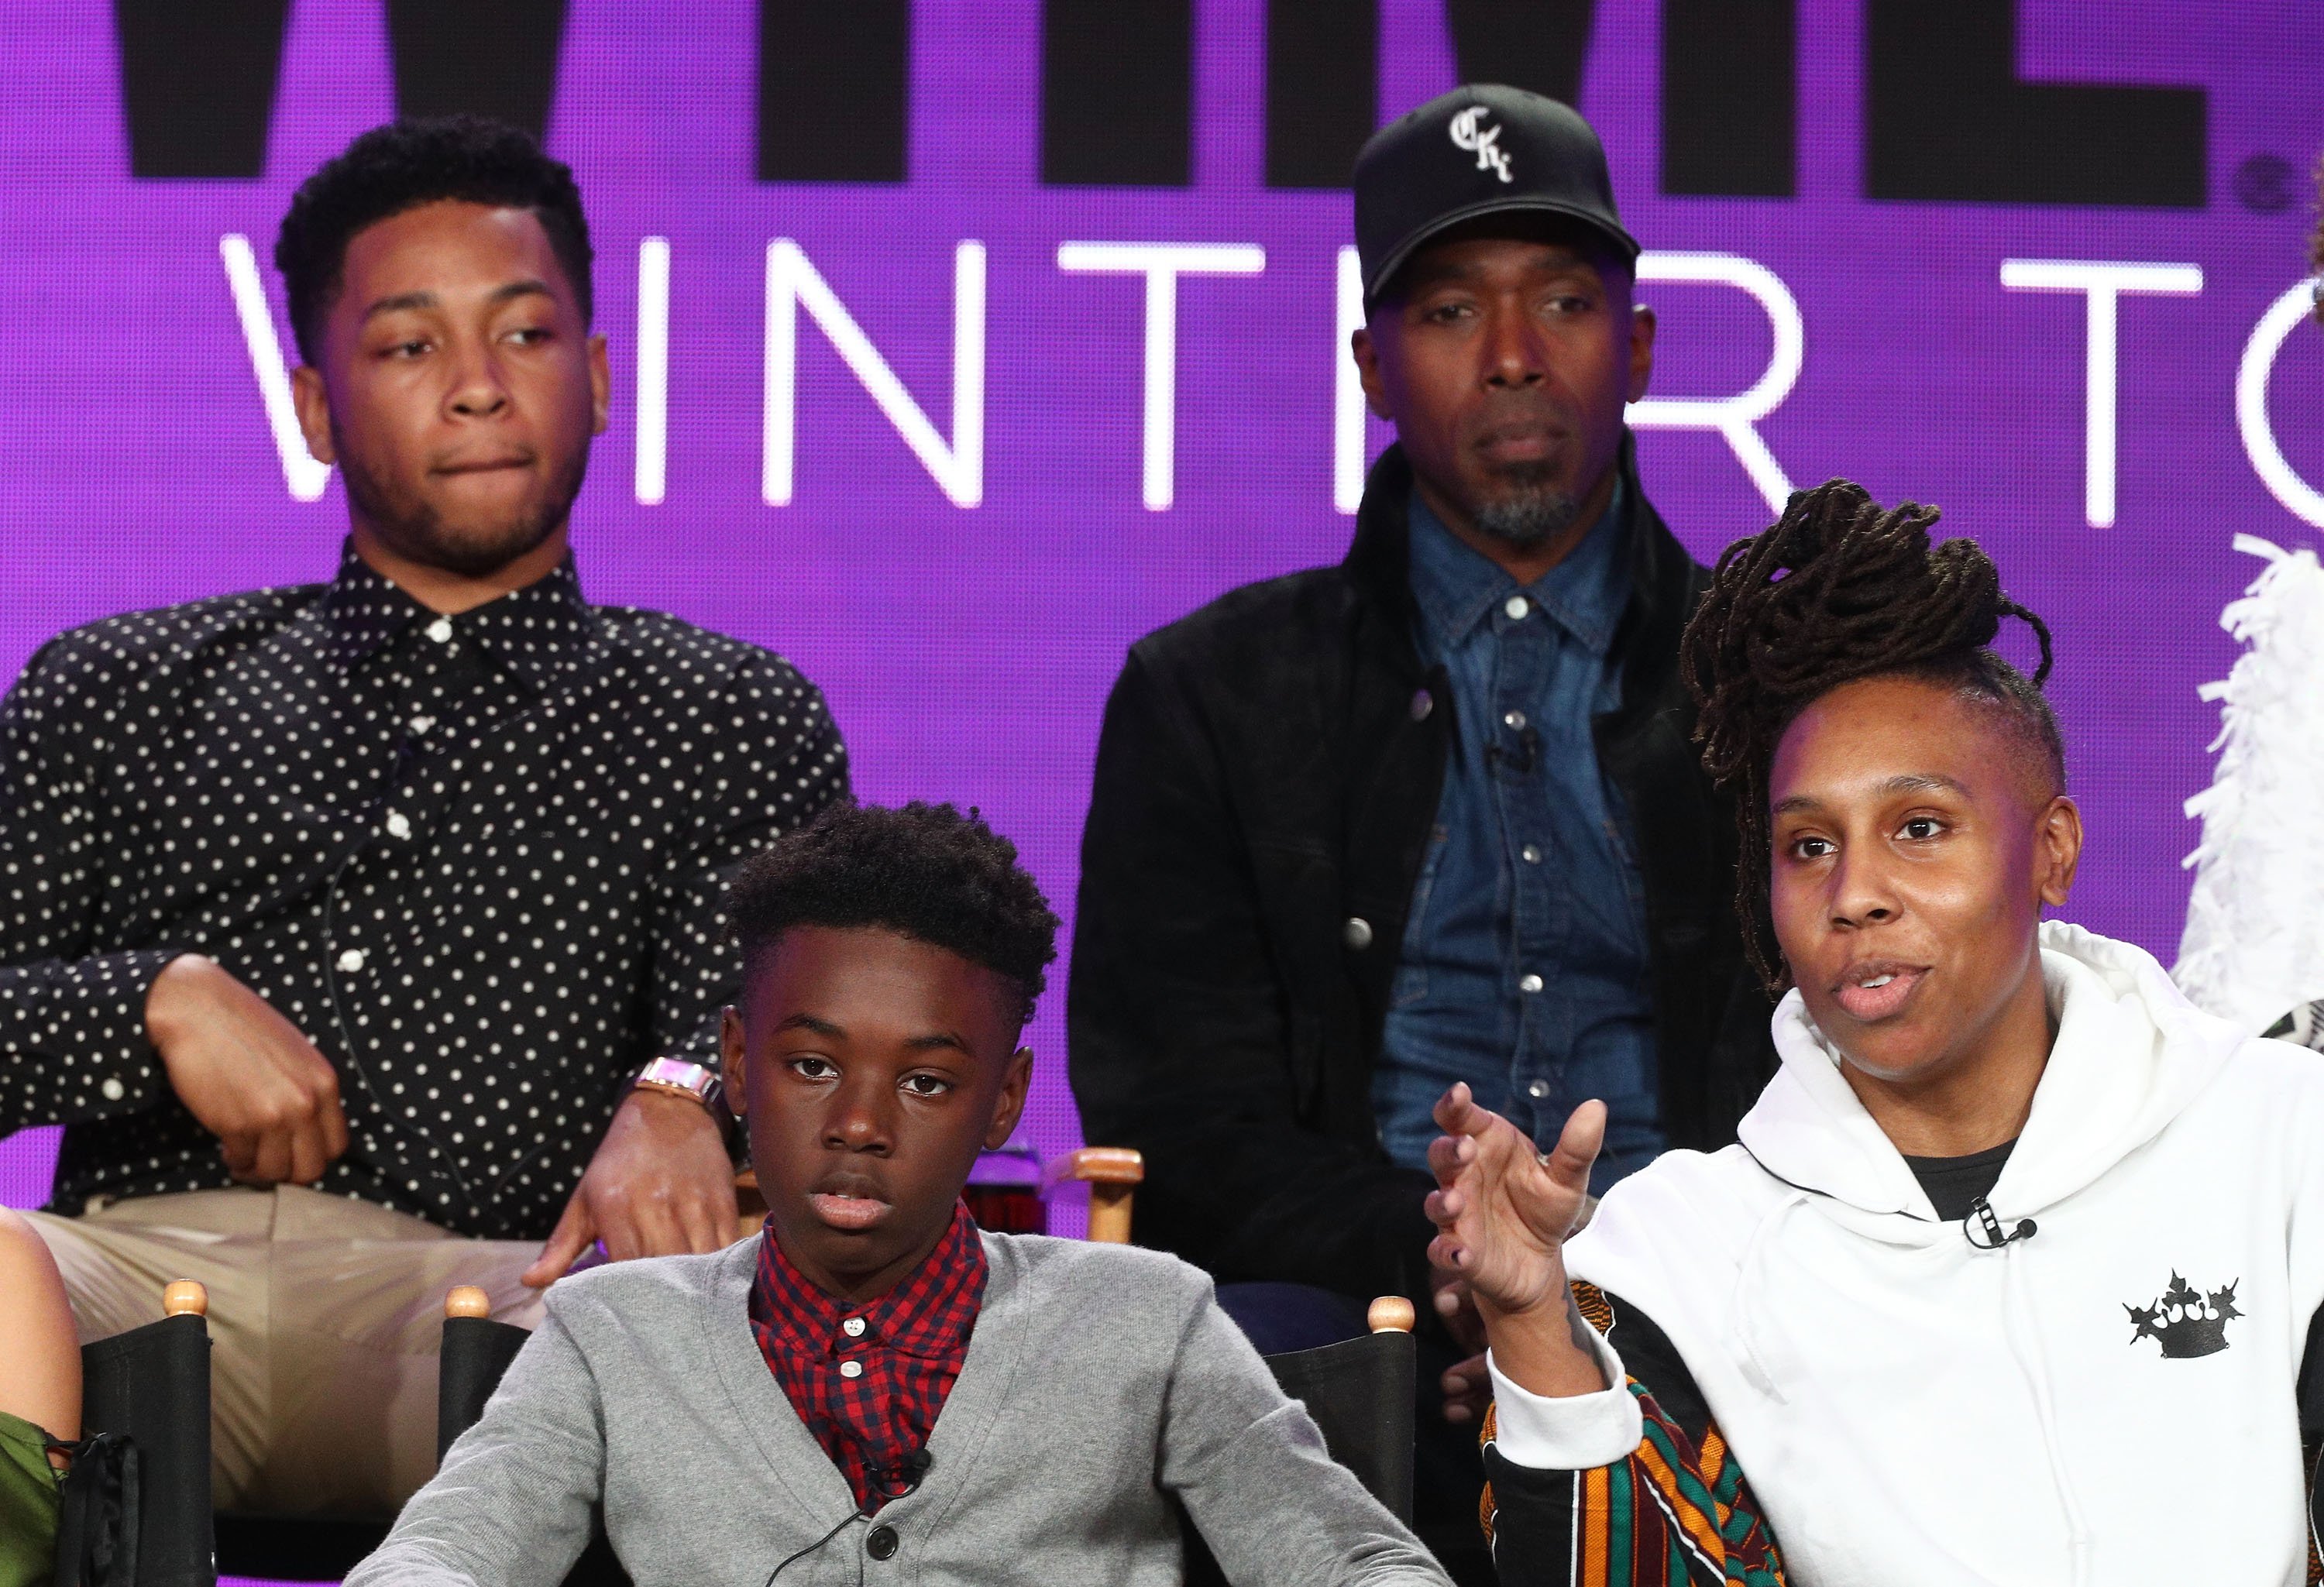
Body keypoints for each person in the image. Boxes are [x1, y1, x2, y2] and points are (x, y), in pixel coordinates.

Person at [0, 116, 847, 1519]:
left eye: (522, 336)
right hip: (120, 1285)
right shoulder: (121, 689)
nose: (473, 389)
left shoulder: (725, 713)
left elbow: (784, 1034)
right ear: (317, 406)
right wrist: (151, 1000)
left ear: (599, 376)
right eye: (408, 346)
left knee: (661, 1361)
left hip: (489, 1287)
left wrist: (689, 1096)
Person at [1067, 84, 1772, 1572]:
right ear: (1372, 369)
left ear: (1639, 347)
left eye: (1563, 302)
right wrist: (1458, 1267)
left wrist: (1606, 1294)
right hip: (1348, 1322)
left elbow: (1843, 1072)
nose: (1515, 355)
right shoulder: (1207, 695)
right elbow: (1184, 1124)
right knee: (1245, 1374)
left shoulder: (1778, 697)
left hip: (1727, 1309)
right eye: (1452, 311)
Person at [1428, 480, 2324, 1585]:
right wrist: (1533, 1333)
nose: (1855, 894)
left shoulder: (2282, 1137)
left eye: (1919, 828)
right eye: (1808, 846)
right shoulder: (1674, 1251)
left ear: (2052, 851)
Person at [347, 801, 1450, 1587]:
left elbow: (1353, 1560)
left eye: (926, 1082)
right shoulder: (609, 1333)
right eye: (812, 1066)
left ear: (1005, 1099)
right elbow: (445, 1555)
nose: (862, 1124)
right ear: (737, 1065)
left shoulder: (1146, 1318)